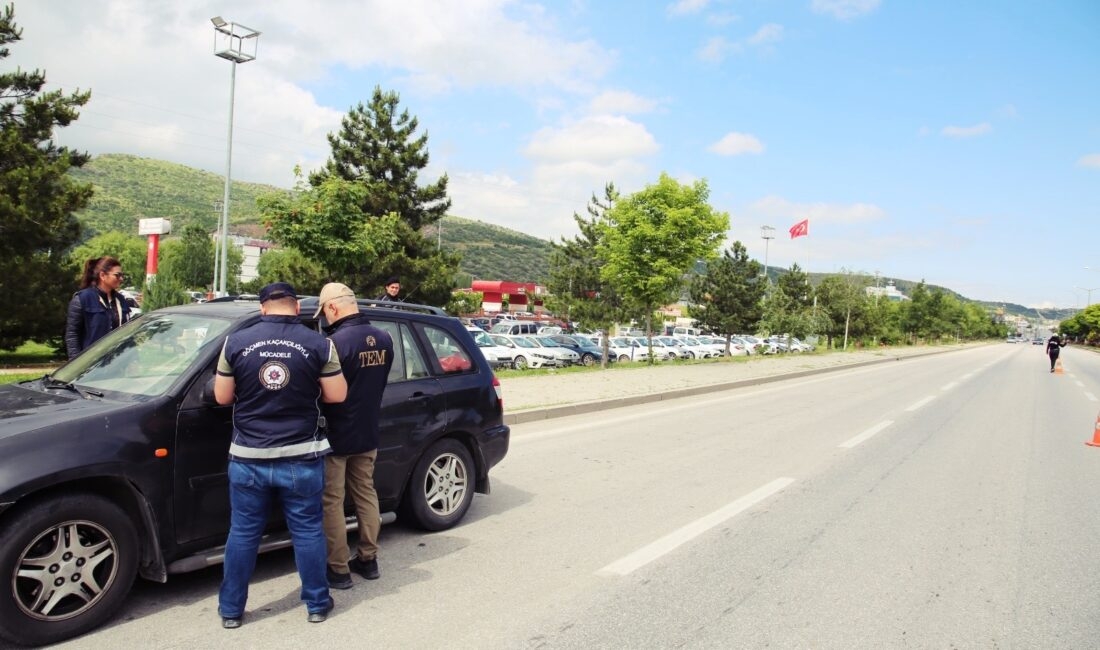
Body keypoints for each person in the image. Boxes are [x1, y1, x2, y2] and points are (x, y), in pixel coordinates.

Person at [213, 282, 348, 629]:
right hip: (301, 455)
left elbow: (222, 397)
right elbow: (337, 395)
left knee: (242, 533)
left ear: (263, 308)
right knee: (306, 531)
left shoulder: (235, 342)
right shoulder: (320, 343)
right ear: (295, 306)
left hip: (247, 456)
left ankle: (231, 610)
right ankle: (317, 604)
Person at [314, 283, 394, 589]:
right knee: (365, 493)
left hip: (336, 434)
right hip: (368, 430)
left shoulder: (334, 344)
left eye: (325, 313)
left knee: (332, 501)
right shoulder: (385, 339)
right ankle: (368, 559)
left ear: (332, 308)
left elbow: (324, 392)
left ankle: (338, 569)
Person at [64, 256, 132, 359]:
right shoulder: (82, 299)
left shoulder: (121, 300)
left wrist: (133, 359)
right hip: (92, 364)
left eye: (122, 275)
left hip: (118, 363)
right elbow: (72, 335)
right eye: (117, 275)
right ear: (102, 275)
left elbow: (128, 333)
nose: (121, 279)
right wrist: (76, 364)